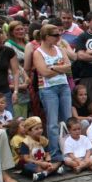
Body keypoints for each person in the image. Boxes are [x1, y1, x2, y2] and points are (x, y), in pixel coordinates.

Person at [32, 24, 73, 160]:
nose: (58, 37)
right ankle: (55, 153)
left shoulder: (60, 49)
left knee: (67, 120)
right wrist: (59, 68)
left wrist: (53, 67)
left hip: (63, 86)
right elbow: (43, 72)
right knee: (53, 123)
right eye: (55, 35)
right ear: (46, 37)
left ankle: (69, 150)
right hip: (48, 89)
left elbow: (68, 67)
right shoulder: (38, 53)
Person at [19, 115, 64, 181]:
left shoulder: (43, 140)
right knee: (27, 166)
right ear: (29, 131)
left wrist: (48, 162)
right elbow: (26, 159)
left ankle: (44, 173)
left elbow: (47, 153)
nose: (40, 130)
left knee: (59, 158)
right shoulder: (26, 142)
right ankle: (52, 171)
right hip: (34, 163)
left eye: (41, 128)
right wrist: (40, 163)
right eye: (36, 129)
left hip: (44, 162)